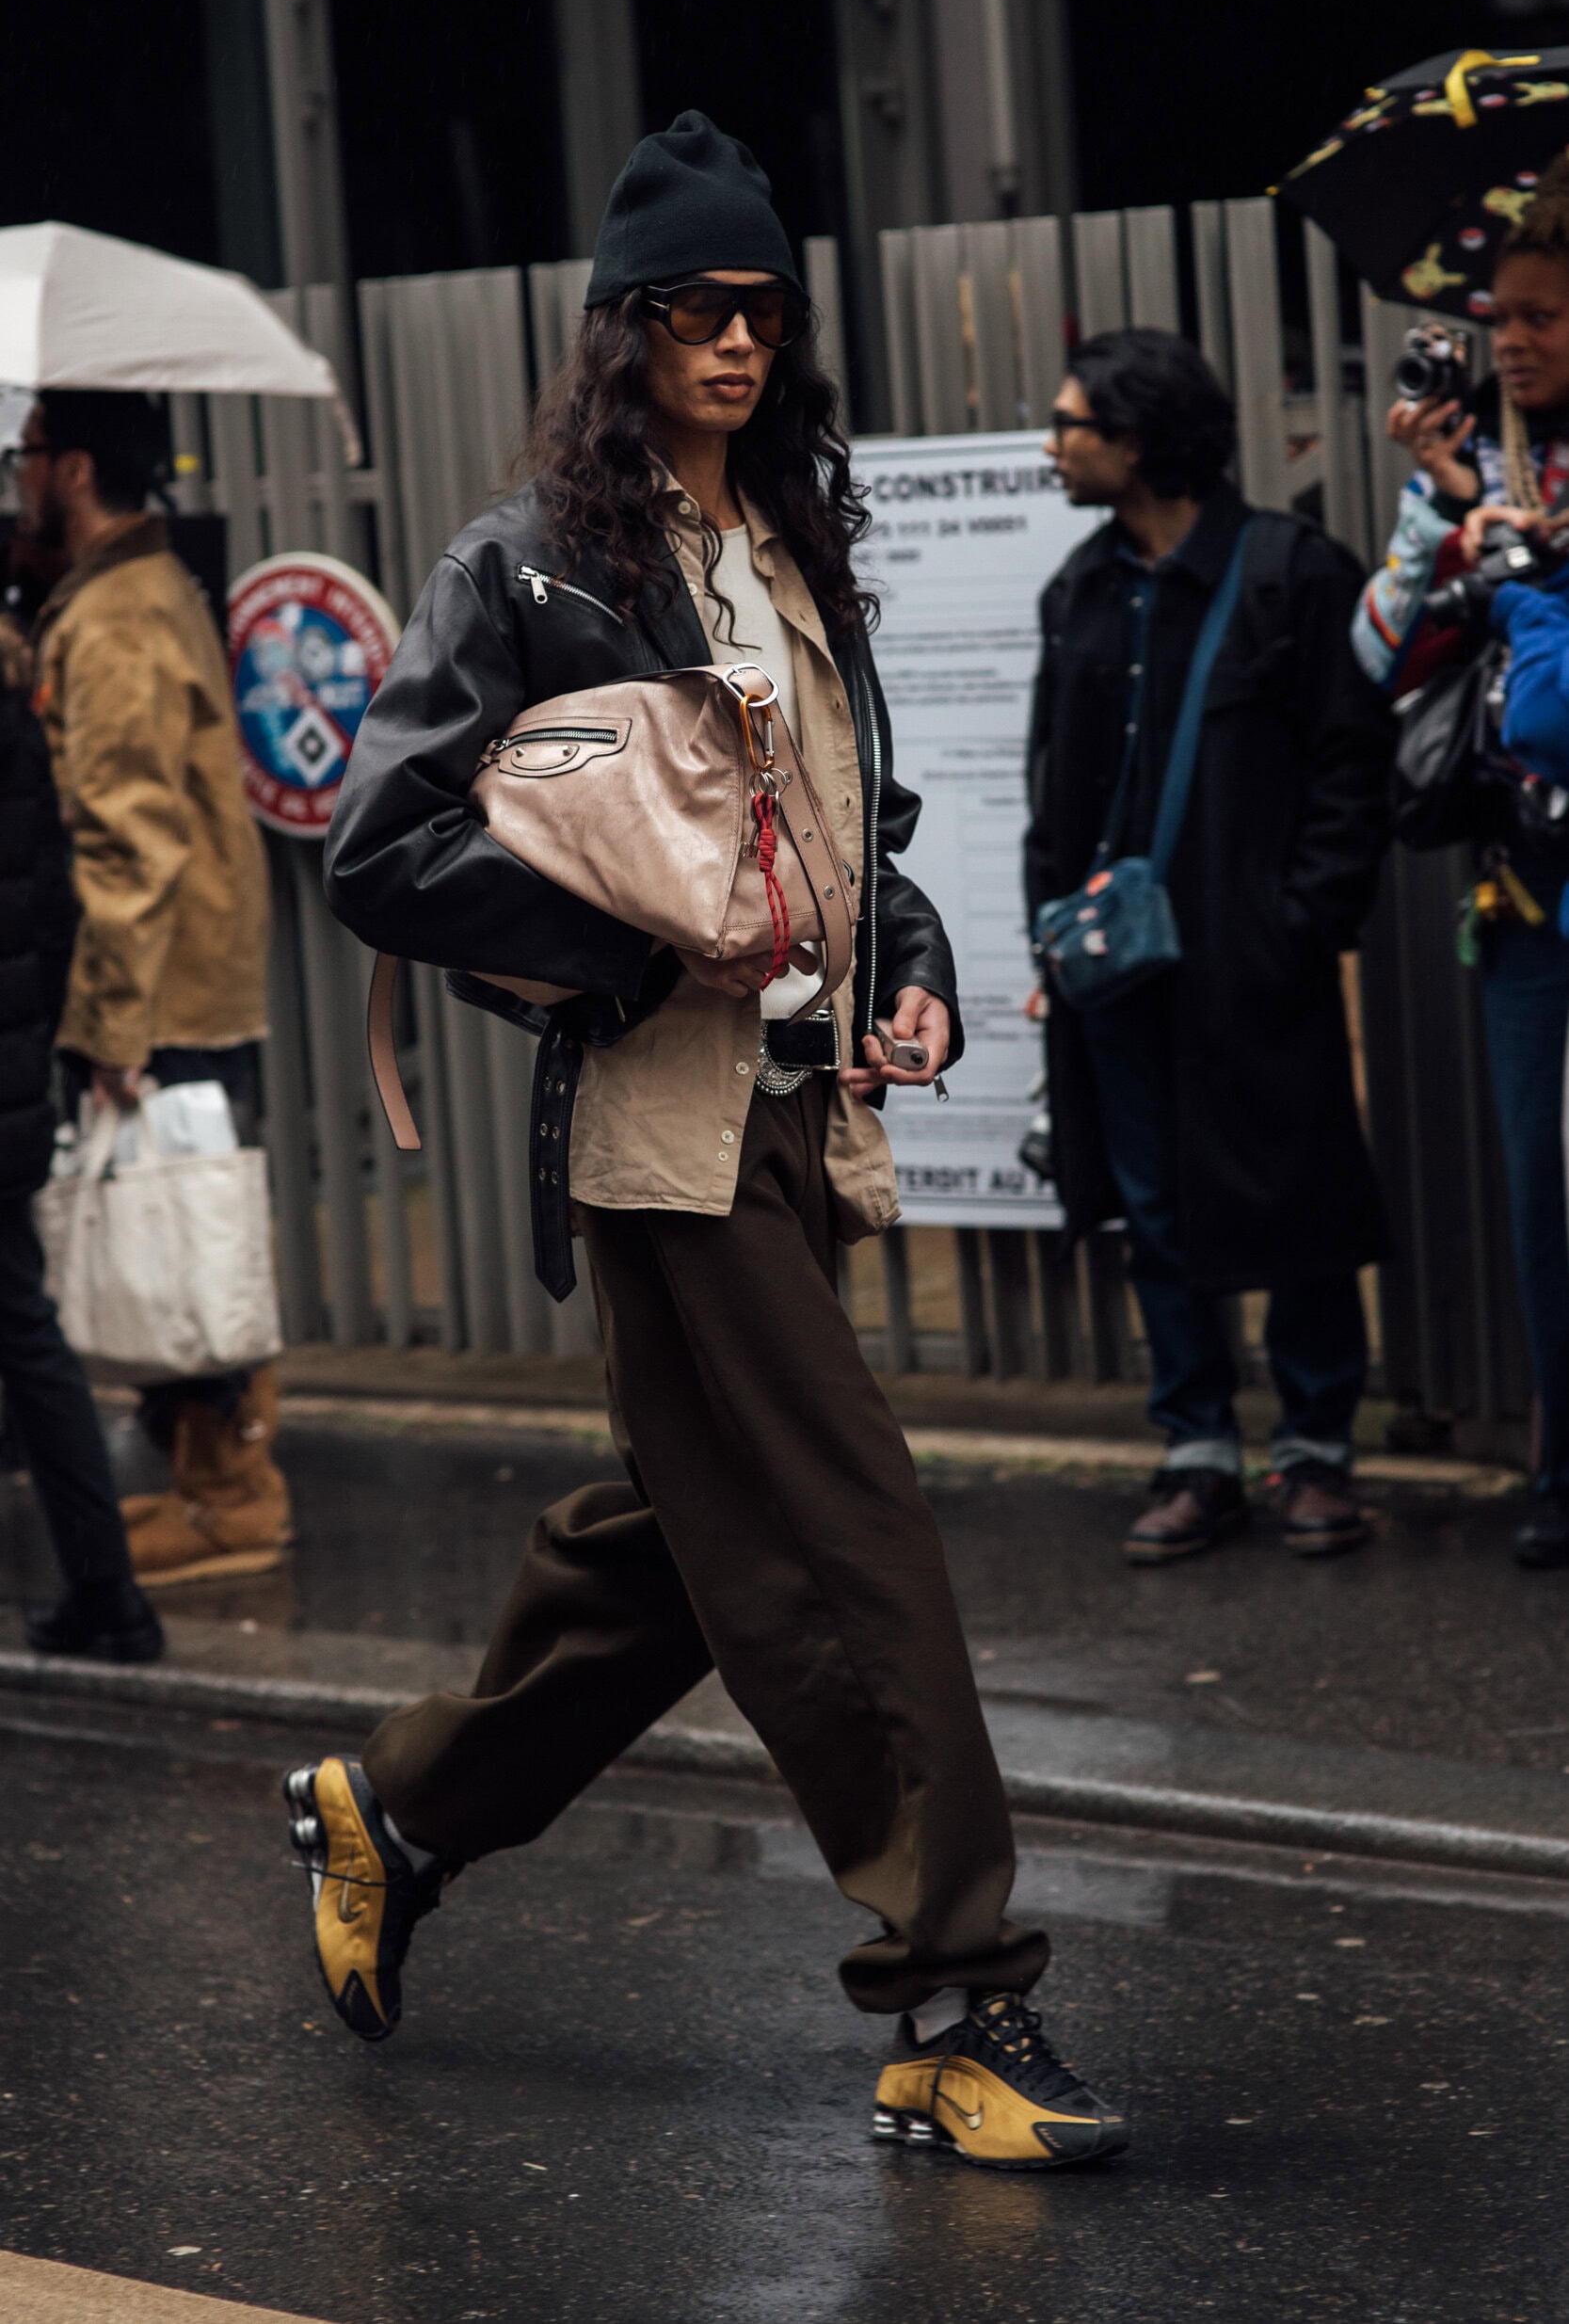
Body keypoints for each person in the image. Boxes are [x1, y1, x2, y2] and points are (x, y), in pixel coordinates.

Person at [291, 112, 1127, 2172]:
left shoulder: (791, 544)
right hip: (659, 1133)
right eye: (692, 309)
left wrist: (907, 963)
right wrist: (627, 950)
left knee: (697, 1542)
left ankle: (403, 1806)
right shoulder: (528, 563)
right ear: (622, 330)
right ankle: (952, 1998)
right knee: (846, 1532)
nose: (735, 341)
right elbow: (381, 845)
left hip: (797, 1117)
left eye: (760, 308)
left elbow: (848, 837)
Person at [1025, 329, 1395, 1565]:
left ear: (1134, 442)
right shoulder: (1078, 589)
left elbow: (1351, 766)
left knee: (1290, 1189)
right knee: (1150, 1204)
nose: (1050, 445)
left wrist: (1301, 923)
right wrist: (1050, 945)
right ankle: (1195, 1447)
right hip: (1112, 967)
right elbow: (1048, 789)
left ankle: (1314, 1447)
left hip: (1252, 957)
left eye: (1070, 424)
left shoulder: (1291, 571)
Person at [14, 390, 292, 1583]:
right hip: (184, 970)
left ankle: (233, 1496)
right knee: (180, 1216)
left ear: (73, 468)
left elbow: (127, 838)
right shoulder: (130, 589)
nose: (17, 474)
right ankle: (205, 1480)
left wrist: (114, 1022)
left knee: (185, 1221)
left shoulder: (118, 612)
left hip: (161, 983)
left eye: (27, 452)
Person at [1353, 159, 1569, 1571]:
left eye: (1542, 315)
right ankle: (1560, 1466)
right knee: (1538, 1189)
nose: (1511, 340)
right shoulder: (1474, 467)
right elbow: (1376, 654)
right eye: (1500, 316)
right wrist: (1442, 518)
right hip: (1519, 894)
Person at [0, 610, 162, 1661]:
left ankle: (111, 1593)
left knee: (26, 1328)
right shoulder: (17, 706)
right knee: (27, 1329)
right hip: (14, 1071)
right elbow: (52, 902)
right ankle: (107, 1590)